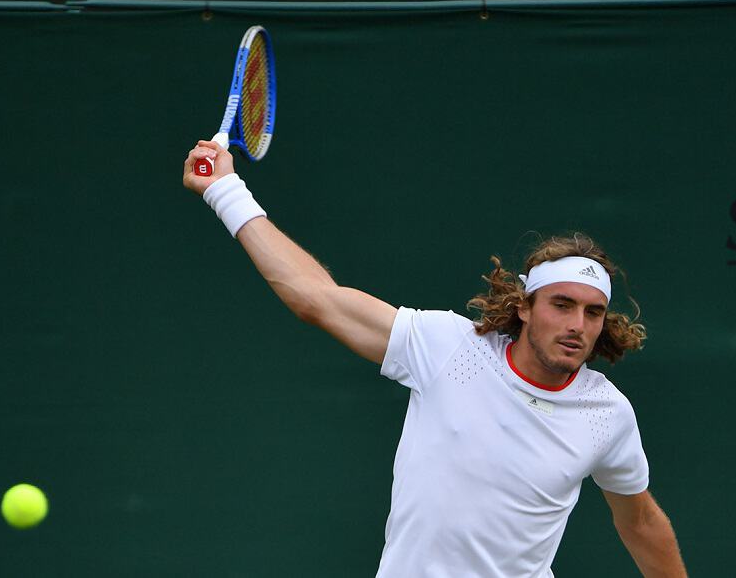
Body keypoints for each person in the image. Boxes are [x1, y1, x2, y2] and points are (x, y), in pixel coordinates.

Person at [182, 140, 687, 578]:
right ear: (525, 308)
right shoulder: (449, 347)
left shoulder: (607, 414)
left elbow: (640, 521)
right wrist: (226, 191)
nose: (578, 324)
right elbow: (317, 298)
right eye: (562, 305)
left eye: (593, 312)